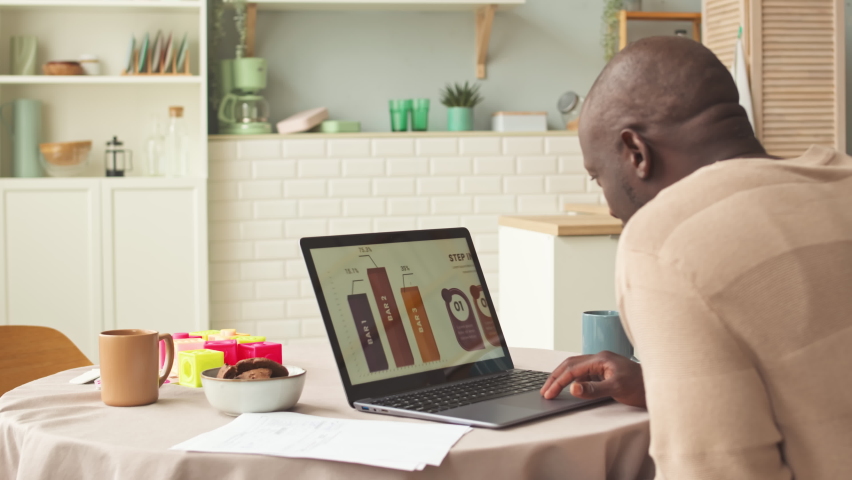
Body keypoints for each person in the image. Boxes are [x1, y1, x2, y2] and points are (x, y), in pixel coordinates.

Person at [540, 36, 852, 479]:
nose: (609, 207)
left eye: (598, 177)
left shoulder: (665, 240)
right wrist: (665, 387)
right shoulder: (841, 178)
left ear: (636, 153)